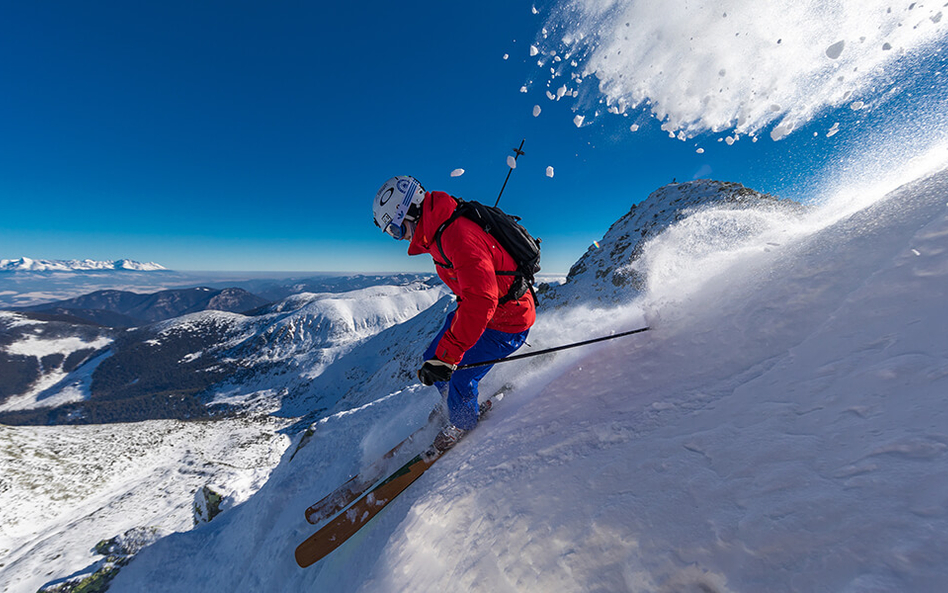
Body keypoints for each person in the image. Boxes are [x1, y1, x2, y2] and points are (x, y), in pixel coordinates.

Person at [372, 175, 536, 450]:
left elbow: (481, 301)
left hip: (507, 321)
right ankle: (457, 403)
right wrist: (443, 358)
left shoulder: (456, 235)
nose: (399, 238)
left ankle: (462, 423)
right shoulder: (440, 233)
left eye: (397, 230)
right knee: (432, 358)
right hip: (488, 314)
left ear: (411, 211)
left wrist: (450, 358)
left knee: (459, 375)